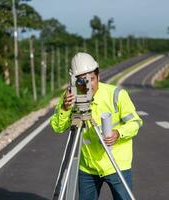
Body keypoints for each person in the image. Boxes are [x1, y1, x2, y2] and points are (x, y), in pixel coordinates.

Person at [50, 52, 143, 200]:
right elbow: (57, 127)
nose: (88, 85)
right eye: (81, 81)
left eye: (91, 79)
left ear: (99, 76)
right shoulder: (70, 97)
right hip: (87, 167)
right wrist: (65, 108)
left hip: (117, 164)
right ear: (73, 80)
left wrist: (118, 133)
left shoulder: (116, 94)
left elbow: (135, 122)